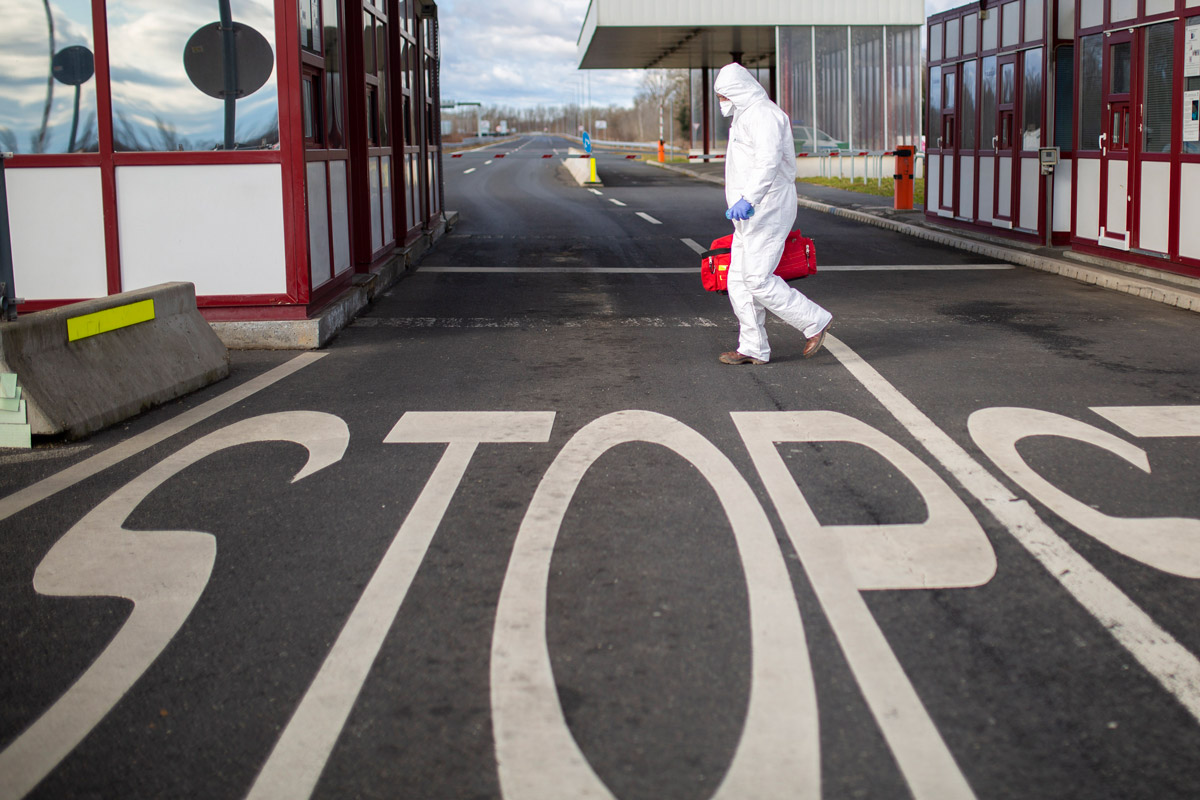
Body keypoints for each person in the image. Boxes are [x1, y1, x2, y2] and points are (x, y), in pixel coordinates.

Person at [713, 62, 832, 365]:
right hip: (749, 214)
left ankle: (814, 320)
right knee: (738, 281)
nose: (722, 101)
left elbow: (768, 162)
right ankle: (753, 346)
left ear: (738, 90)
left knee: (756, 279)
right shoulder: (744, 115)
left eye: (724, 95)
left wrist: (749, 199)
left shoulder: (765, 115)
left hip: (768, 208)